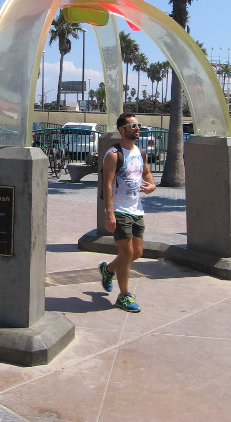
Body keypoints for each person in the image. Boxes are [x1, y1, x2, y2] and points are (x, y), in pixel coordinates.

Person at [99, 112, 156, 312]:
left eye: (138, 125)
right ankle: (124, 296)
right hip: (120, 209)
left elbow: (146, 172)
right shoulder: (113, 155)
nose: (137, 128)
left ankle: (108, 270)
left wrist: (152, 186)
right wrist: (110, 213)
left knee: (137, 252)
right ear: (122, 130)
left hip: (136, 209)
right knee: (126, 252)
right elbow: (106, 186)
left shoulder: (140, 153)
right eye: (132, 126)